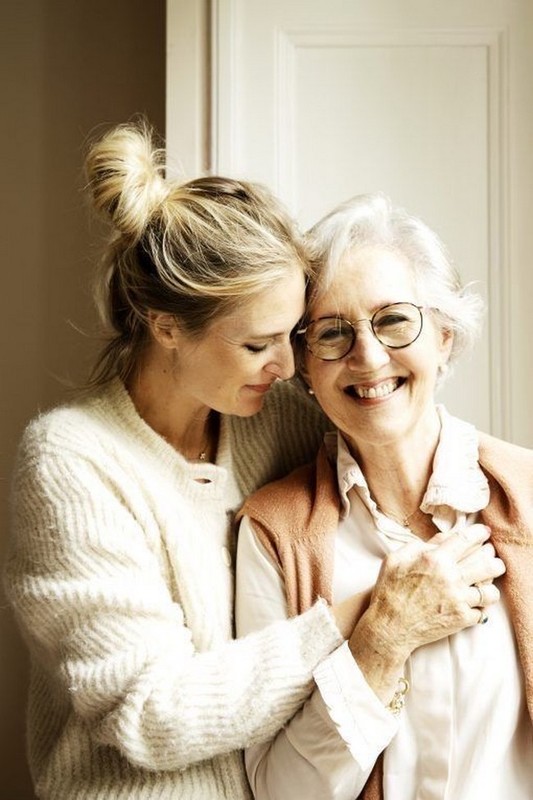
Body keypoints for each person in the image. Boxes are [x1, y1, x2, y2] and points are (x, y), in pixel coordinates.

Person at [3, 119, 503, 800]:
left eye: (293, 335)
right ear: (167, 327)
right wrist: (372, 616)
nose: (289, 366)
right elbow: (149, 715)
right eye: (257, 344)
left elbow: (393, 430)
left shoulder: (274, 416)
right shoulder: (71, 461)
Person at [236, 192, 533, 799]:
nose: (367, 357)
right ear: (308, 372)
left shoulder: (530, 491)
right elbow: (278, 793)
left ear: (445, 336)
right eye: (332, 333)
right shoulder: (272, 533)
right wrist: (383, 638)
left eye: (394, 320)